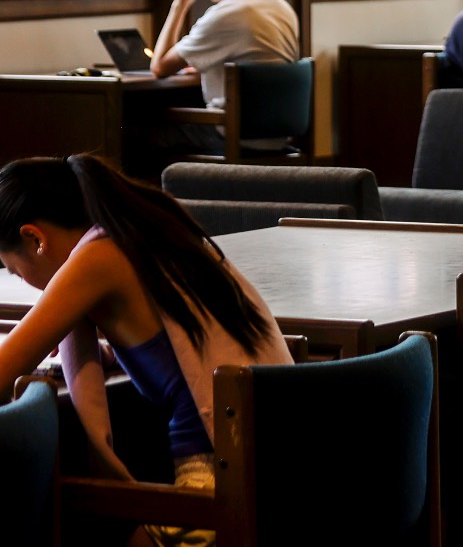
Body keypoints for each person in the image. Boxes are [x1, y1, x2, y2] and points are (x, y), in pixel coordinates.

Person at [0, 154, 292, 541]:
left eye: (17, 273)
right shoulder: (138, 231)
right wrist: (112, 352)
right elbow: (181, 340)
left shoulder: (96, 258)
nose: (29, 286)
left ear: (35, 239)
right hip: (276, 459)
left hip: (223, 481)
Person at [149, 0, 301, 154]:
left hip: (235, 136)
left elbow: (159, 66)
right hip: (278, 134)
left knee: (143, 135)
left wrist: (179, 5)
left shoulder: (223, 15)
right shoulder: (278, 4)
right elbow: (259, 58)